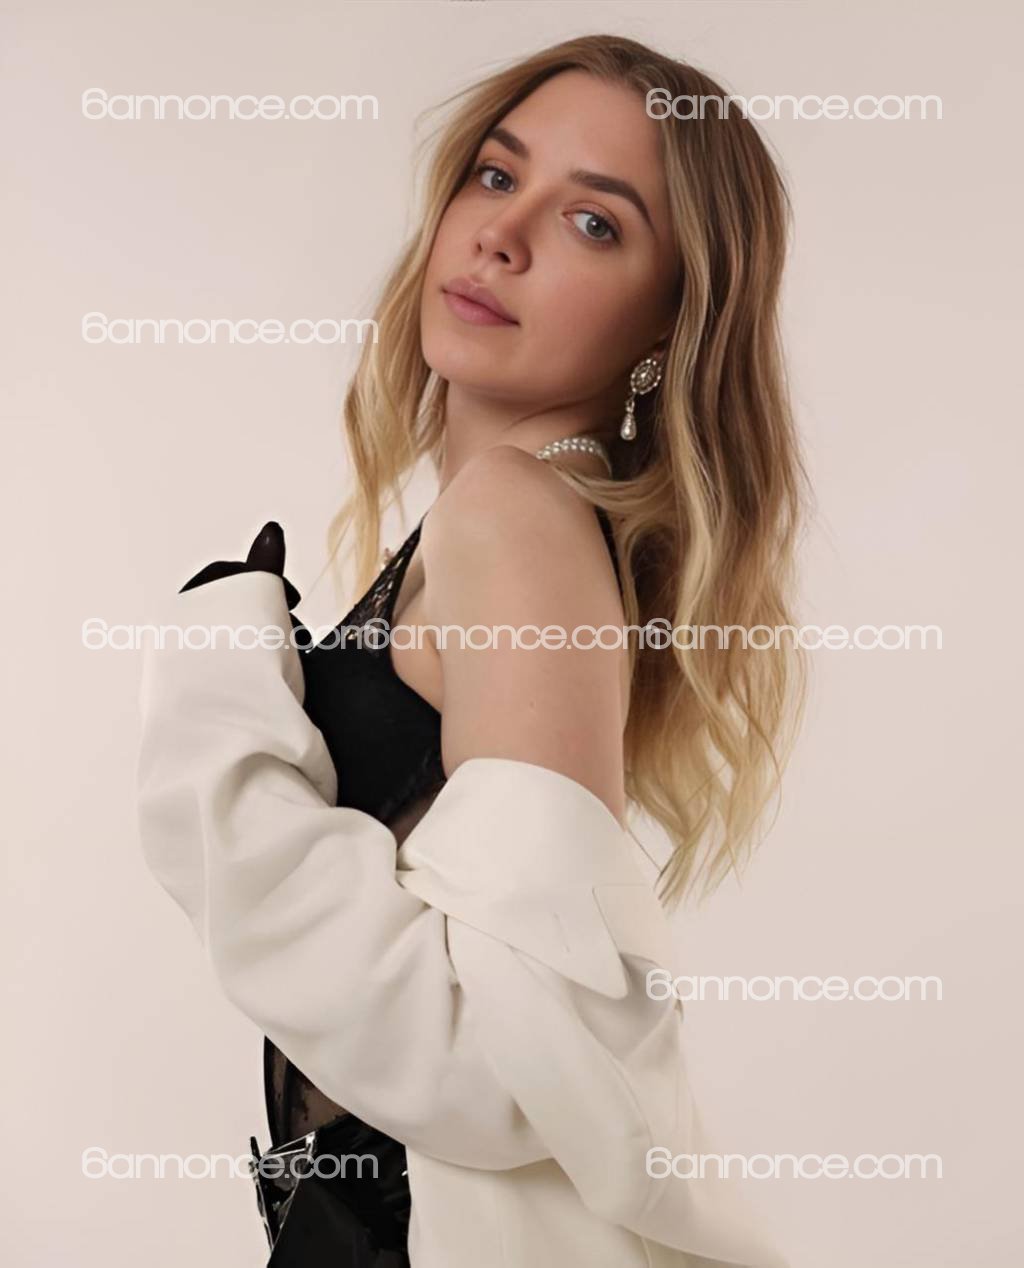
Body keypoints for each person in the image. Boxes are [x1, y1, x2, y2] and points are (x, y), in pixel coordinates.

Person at [136, 33, 807, 1268]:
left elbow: (515, 1063)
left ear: (669, 325)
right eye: (497, 176)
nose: (502, 235)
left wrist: (215, 710)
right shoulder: (506, 514)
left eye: (594, 223)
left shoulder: (516, 517)